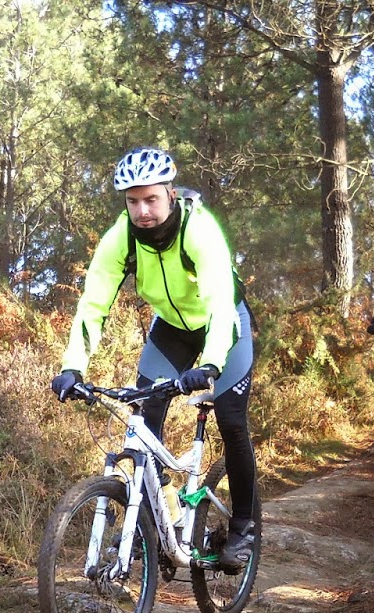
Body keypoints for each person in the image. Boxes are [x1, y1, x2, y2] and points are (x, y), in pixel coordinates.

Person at [50, 146, 259, 567]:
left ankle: (243, 527)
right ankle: (157, 520)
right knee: (145, 418)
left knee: (232, 422)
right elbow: (93, 305)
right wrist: (72, 366)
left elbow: (220, 303)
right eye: (133, 201)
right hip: (172, 329)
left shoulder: (199, 230)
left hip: (225, 323)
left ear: (170, 194)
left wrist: (210, 364)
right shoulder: (121, 238)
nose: (142, 211)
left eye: (151, 199)